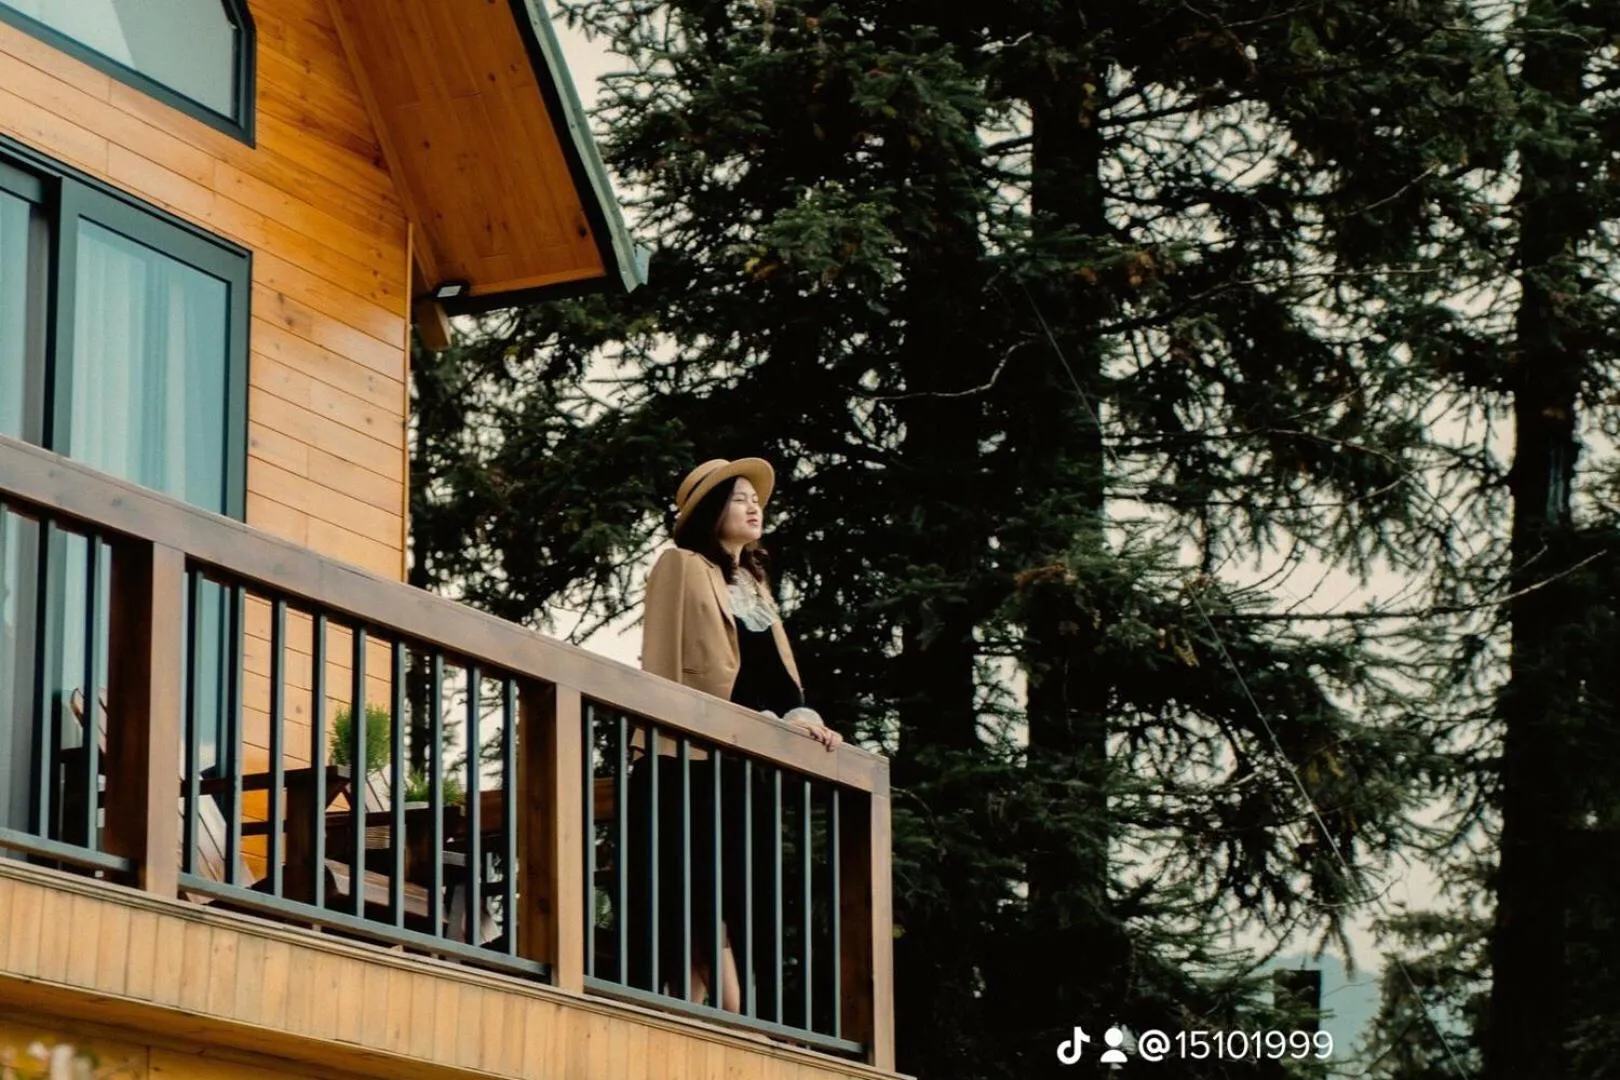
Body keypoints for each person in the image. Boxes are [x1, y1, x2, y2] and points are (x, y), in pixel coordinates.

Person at [630, 457, 841, 1013]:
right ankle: (728, 1015)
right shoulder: (681, 565)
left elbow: (773, 671)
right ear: (709, 511)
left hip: (741, 765)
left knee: (725, 895)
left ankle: (701, 1014)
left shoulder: (754, 584)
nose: (755, 506)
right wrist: (662, 734)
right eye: (740, 497)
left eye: (757, 499)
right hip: (687, 759)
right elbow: (663, 658)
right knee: (692, 894)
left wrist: (804, 718)